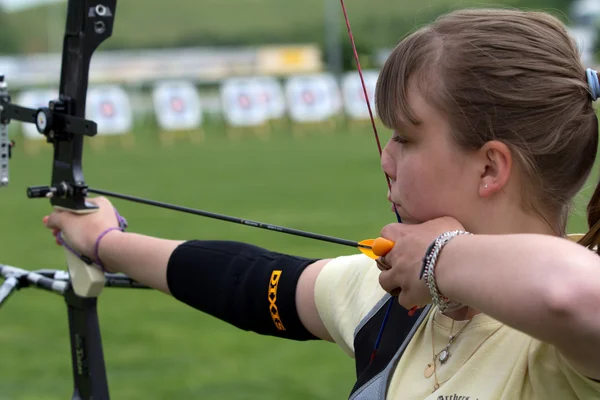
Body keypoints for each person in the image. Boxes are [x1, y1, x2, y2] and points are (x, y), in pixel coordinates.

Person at [43, 8, 600, 400]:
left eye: (406, 137)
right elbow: (253, 283)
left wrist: (440, 258)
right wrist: (105, 242)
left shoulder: (566, 343)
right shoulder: (393, 295)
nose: (387, 159)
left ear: (489, 167)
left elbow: (572, 294)